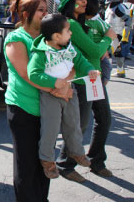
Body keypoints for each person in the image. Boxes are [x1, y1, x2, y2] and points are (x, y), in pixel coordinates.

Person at [43, 0, 116, 183]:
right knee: (80, 125)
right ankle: (66, 164)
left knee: (104, 120)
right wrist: (108, 39)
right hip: (82, 82)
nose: (85, 1)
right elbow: (94, 51)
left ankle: (96, 160)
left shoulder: (83, 22)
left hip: (94, 79)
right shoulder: (71, 24)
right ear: (69, 2)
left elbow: (95, 50)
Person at [4, 0, 65, 201]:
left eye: (47, 10)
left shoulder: (47, 39)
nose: (45, 14)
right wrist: (56, 89)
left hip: (47, 110)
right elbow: (26, 74)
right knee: (26, 166)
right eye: (40, 10)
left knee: (44, 161)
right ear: (25, 13)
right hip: (23, 109)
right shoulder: (15, 39)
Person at [28, 13, 98, 179]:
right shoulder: (41, 53)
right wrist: (53, 82)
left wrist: (89, 70)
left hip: (69, 92)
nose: (71, 33)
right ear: (56, 36)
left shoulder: (69, 47)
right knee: (50, 129)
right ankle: (47, 160)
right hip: (50, 96)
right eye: (68, 31)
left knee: (73, 123)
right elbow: (33, 74)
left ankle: (77, 152)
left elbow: (80, 61)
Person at [84, 0, 113, 86]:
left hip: (100, 50)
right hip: (88, 50)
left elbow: (109, 34)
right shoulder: (82, 20)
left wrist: (106, 50)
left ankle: (103, 83)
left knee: (106, 66)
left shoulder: (99, 22)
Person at [104, 0, 132, 78]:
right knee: (117, 53)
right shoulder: (110, 6)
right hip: (110, 33)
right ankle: (120, 71)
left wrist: (125, 37)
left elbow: (128, 21)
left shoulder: (119, 8)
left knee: (107, 53)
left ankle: (106, 72)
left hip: (116, 34)